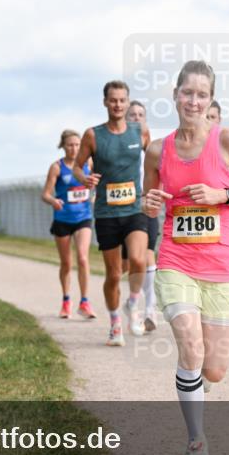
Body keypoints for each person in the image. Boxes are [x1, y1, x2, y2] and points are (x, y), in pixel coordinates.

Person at [142, 60, 229, 455]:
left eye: (202, 94)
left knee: (213, 369)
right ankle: (197, 441)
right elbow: (150, 196)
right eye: (187, 92)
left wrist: (221, 195)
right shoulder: (158, 150)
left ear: (211, 100)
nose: (193, 101)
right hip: (176, 257)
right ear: (175, 95)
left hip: (222, 263)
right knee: (190, 346)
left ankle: (196, 385)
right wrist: (150, 203)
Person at [73, 80, 150, 346]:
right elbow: (77, 166)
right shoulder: (93, 135)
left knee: (139, 261)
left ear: (128, 102)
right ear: (105, 102)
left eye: (122, 100)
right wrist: (84, 180)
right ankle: (115, 323)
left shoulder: (139, 132)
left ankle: (133, 302)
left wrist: (153, 190)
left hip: (134, 207)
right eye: (113, 100)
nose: (118, 104)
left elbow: (152, 163)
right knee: (114, 274)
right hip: (106, 213)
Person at [42, 130, 96, 320]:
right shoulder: (57, 167)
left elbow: (98, 182)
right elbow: (45, 194)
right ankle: (66, 301)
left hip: (83, 217)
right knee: (66, 263)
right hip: (62, 219)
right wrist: (54, 201)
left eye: (77, 145)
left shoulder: (88, 163)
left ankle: (85, 302)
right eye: (70, 145)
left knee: (82, 257)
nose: (74, 149)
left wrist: (95, 194)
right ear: (63, 146)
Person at [123, 100, 160, 332]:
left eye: (140, 114)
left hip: (145, 206)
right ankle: (132, 303)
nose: (136, 118)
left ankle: (150, 311)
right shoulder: (117, 143)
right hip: (123, 209)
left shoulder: (150, 144)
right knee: (131, 262)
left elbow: (160, 167)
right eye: (132, 115)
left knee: (149, 256)